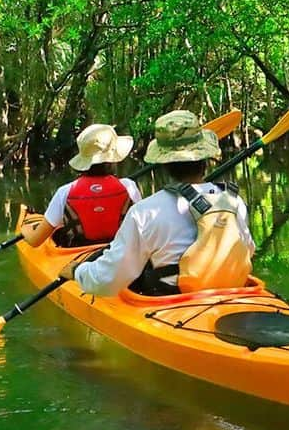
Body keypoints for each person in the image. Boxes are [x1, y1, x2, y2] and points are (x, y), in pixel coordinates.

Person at [60, 109, 254, 296]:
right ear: (205, 158)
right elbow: (248, 249)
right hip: (230, 292)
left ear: (164, 164)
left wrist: (78, 271)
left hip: (173, 302)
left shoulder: (145, 212)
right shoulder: (233, 200)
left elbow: (107, 282)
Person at [21, 124, 142, 248]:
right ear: (114, 158)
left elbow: (35, 241)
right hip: (120, 253)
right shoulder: (129, 186)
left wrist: (25, 230)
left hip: (79, 259)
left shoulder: (64, 192)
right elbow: (142, 227)